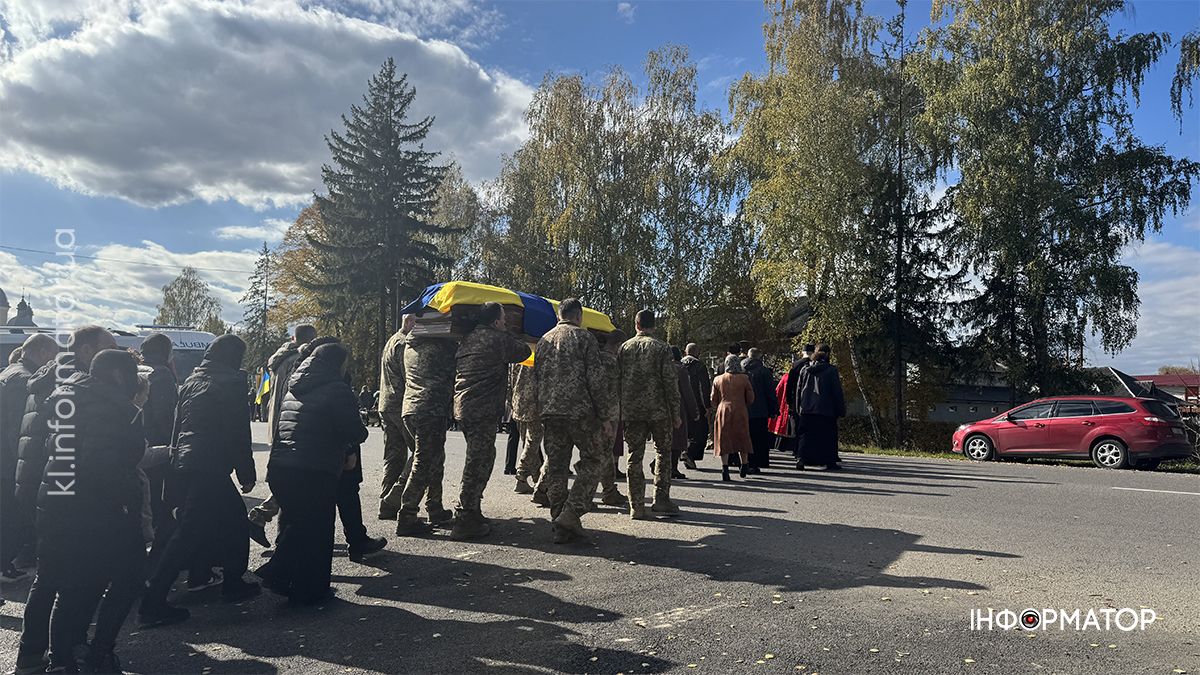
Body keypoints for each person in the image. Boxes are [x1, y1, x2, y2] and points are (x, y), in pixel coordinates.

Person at [13, 327, 117, 674]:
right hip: (61, 491)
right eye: (106, 351)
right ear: (87, 350)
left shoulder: (47, 379)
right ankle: (62, 653)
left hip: (39, 486)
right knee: (69, 579)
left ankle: (32, 654)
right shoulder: (75, 386)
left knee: (48, 577)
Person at [140, 335, 261, 628]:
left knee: (231, 520)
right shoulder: (230, 382)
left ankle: (232, 581)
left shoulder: (192, 380)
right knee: (189, 532)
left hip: (188, 461)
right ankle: (153, 600)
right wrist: (246, 472)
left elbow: (177, 426)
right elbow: (237, 432)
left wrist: (173, 467)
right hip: (211, 465)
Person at [38, 350, 146, 672]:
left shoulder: (70, 398)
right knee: (129, 577)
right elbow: (103, 466)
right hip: (100, 511)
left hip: (61, 503)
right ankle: (98, 652)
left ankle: (61, 659)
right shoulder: (111, 409)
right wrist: (127, 498)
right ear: (117, 376)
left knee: (76, 584)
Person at [257, 342, 369, 605]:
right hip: (314, 469)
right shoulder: (337, 388)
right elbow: (352, 430)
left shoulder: (293, 386)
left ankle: (286, 579)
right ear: (338, 364)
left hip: (282, 467)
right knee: (318, 532)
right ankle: (309, 589)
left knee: (294, 524)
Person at [531, 298, 613, 543]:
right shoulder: (584, 338)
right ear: (578, 316)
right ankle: (571, 512)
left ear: (559, 315)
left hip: (550, 412)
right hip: (580, 413)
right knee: (595, 458)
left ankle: (559, 521)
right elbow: (596, 380)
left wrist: (539, 409)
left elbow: (536, 378)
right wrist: (605, 415)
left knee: (556, 466)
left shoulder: (543, 341)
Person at [451, 302, 532, 539]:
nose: (506, 322)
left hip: (464, 408)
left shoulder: (468, 337)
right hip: (481, 409)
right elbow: (524, 352)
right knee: (477, 463)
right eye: (504, 319)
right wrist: (509, 331)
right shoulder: (495, 339)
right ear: (495, 321)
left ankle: (472, 510)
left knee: (483, 458)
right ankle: (465, 518)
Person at [247, 324, 318, 546]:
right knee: (293, 479)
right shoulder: (299, 360)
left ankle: (271, 523)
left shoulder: (279, 360)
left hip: (277, 422)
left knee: (286, 477)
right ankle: (265, 519)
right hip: (291, 423)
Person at [0, 333, 56, 582]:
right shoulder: (23, 380)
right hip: (9, 460)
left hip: (6, 457)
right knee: (11, 516)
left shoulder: (8, 372)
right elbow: (19, 427)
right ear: (43, 353)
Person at [394, 327, 458, 536]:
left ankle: (434, 507)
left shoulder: (410, 345)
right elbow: (454, 368)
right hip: (430, 409)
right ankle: (408, 514)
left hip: (411, 408)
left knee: (435, 458)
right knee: (424, 461)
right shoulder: (439, 346)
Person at [617, 310, 681, 519]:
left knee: (634, 455)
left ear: (636, 325)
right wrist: (676, 412)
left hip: (632, 410)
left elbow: (616, 381)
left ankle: (636, 504)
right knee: (663, 452)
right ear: (654, 326)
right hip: (659, 410)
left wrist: (618, 409)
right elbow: (670, 383)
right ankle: (661, 498)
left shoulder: (624, 348)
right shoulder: (662, 348)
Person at [138, 333, 178, 565]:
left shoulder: (138, 369)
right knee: (159, 504)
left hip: (138, 444)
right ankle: (160, 558)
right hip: (157, 448)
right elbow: (165, 415)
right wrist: (171, 447)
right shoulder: (162, 374)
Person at [378, 314, 416, 520]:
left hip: (386, 404)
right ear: (409, 323)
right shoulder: (403, 344)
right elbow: (408, 376)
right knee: (420, 453)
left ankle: (386, 502)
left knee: (393, 456)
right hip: (400, 404)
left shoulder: (391, 340)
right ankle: (394, 497)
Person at [589, 330, 627, 509]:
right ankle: (593, 495)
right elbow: (608, 391)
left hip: (593, 414)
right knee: (602, 455)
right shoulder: (611, 362)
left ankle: (609, 491)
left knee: (599, 454)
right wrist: (606, 419)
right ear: (618, 345)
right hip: (607, 415)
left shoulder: (595, 358)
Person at [794, 344, 846, 470]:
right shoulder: (831, 370)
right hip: (826, 408)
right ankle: (829, 461)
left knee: (805, 435)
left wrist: (798, 407)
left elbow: (799, 390)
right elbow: (836, 391)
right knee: (827, 436)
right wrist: (840, 409)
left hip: (806, 407)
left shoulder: (804, 370)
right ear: (827, 355)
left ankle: (801, 458)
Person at [711, 355, 755, 481]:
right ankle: (744, 464)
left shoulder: (718, 379)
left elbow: (713, 400)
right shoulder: (744, 378)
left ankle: (725, 468)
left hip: (723, 410)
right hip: (740, 410)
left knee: (723, 438)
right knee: (742, 436)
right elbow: (751, 398)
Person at [509, 360, 544, 497]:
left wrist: (511, 401)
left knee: (528, 442)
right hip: (533, 403)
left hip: (518, 401)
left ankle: (536, 478)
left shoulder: (519, 355)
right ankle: (521, 474)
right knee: (533, 440)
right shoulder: (536, 354)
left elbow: (510, 379)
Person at [742, 347, 778, 473]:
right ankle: (759, 461)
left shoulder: (740, 370)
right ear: (759, 357)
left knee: (745, 436)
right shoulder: (763, 371)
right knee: (759, 438)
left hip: (743, 409)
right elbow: (770, 392)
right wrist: (774, 409)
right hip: (760, 409)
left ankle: (744, 461)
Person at [668, 346, 699, 480]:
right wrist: (694, 411)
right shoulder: (681, 369)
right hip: (678, 407)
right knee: (678, 439)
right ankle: (673, 468)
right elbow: (687, 391)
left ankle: (659, 464)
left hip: (661, 407)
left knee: (665, 439)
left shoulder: (662, 367)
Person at [680, 343, 711, 470]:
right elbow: (704, 387)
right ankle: (690, 453)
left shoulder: (678, 364)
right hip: (697, 404)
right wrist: (707, 406)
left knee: (683, 432)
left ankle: (683, 453)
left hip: (680, 403)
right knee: (701, 431)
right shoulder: (699, 366)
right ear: (697, 352)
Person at [784, 344, 815, 467]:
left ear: (802, 352)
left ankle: (797, 450)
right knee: (809, 428)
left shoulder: (795, 365)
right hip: (810, 401)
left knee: (797, 427)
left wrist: (788, 401)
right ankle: (807, 453)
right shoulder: (813, 365)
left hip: (796, 401)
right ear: (812, 352)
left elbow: (789, 385)